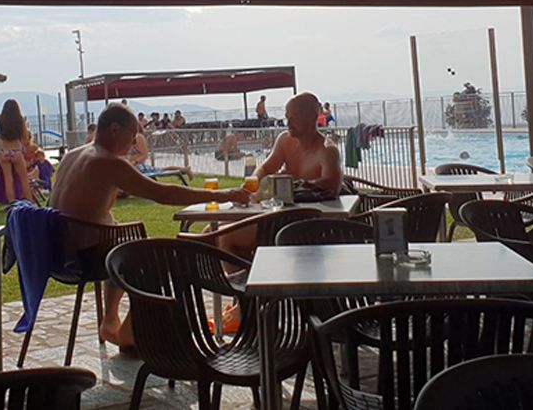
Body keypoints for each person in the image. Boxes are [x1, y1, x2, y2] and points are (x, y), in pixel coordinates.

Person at [50, 103, 249, 349]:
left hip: (60, 254)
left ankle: (111, 320)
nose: (134, 143)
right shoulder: (108, 162)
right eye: (133, 136)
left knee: (128, 248)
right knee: (159, 263)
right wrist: (223, 194)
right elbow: (164, 194)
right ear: (115, 129)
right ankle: (131, 334)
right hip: (86, 258)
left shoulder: (73, 155)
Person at [218, 92, 342, 261]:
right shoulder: (285, 140)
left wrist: (296, 185)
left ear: (313, 117)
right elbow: (266, 168)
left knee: (224, 237)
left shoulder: (327, 150)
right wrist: (252, 183)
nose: (288, 123)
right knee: (210, 231)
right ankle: (246, 273)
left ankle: (245, 277)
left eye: (294, 117)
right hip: (274, 214)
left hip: (300, 225)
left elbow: (332, 185)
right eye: (287, 117)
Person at [0, 100, 34, 204]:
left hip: (4, 152)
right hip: (16, 152)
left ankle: (12, 203)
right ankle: (30, 202)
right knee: (23, 179)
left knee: (8, 179)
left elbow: (1, 136)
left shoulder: (0, 119)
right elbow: (25, 137)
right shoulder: (20, 121)